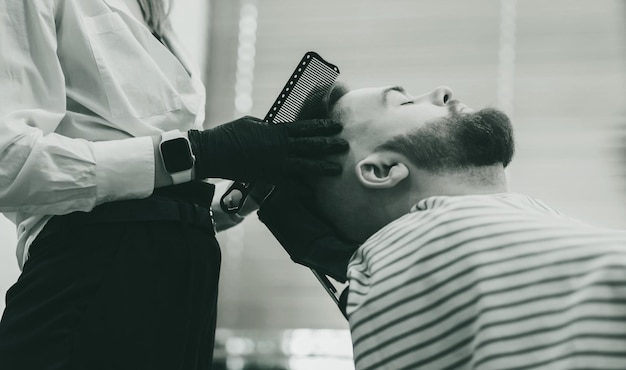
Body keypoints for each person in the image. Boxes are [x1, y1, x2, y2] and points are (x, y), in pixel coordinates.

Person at [0, 0, 348, 369]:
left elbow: (145, 191)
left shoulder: (154, 13)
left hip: (183, 285)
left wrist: (229, 205)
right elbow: (7, 162)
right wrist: (199, 152)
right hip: (90, 276)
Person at [258, 82, 626, 369]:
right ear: (382, 170)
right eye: (403, 102)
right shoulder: (434, 241)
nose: (442, 91)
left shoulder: (412, 265)